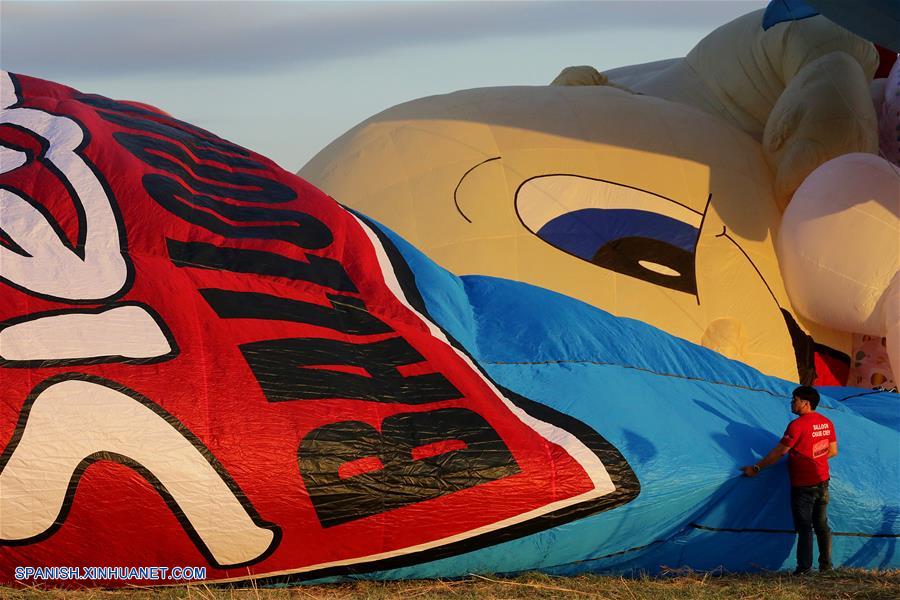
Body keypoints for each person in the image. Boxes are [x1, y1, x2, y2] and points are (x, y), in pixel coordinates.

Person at [740, 386, 838, 575]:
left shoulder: (797, 425)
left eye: (794, 399)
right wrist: (814, 458)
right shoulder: (827, 423)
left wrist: (756, 468)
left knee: (805, 527)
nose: (791, 403)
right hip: (823, 481)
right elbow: (833, 451)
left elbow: (779, 452)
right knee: (821, 524)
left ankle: (804, 569)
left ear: (805, 403)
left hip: (803, 485)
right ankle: (826, 566)